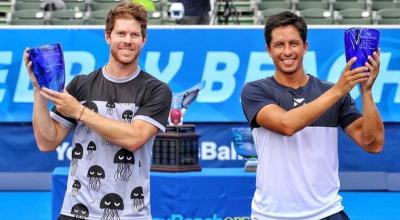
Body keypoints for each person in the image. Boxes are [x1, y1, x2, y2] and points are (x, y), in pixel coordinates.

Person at [24, 2, 172, 219]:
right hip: (75, 211)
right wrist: (38, 90)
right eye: (121, 33)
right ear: (108, 37)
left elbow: (134, 138)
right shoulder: (81, 85)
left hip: (130, 214)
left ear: (144, 40)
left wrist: (80, 111)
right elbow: (47, 141)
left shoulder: (156, 90)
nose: (128, 41)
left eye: (134, 35)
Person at [240, 11, 384, 220]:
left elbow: (373, 143)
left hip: (328, 213)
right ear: (268, 50)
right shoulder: (255, 91)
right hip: (271, 215)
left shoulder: (334, 93)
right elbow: (286, 125)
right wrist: (339, 90)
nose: (287, 51)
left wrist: (366, 91)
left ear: (305, 46)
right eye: (279, 45)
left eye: (294, 43)